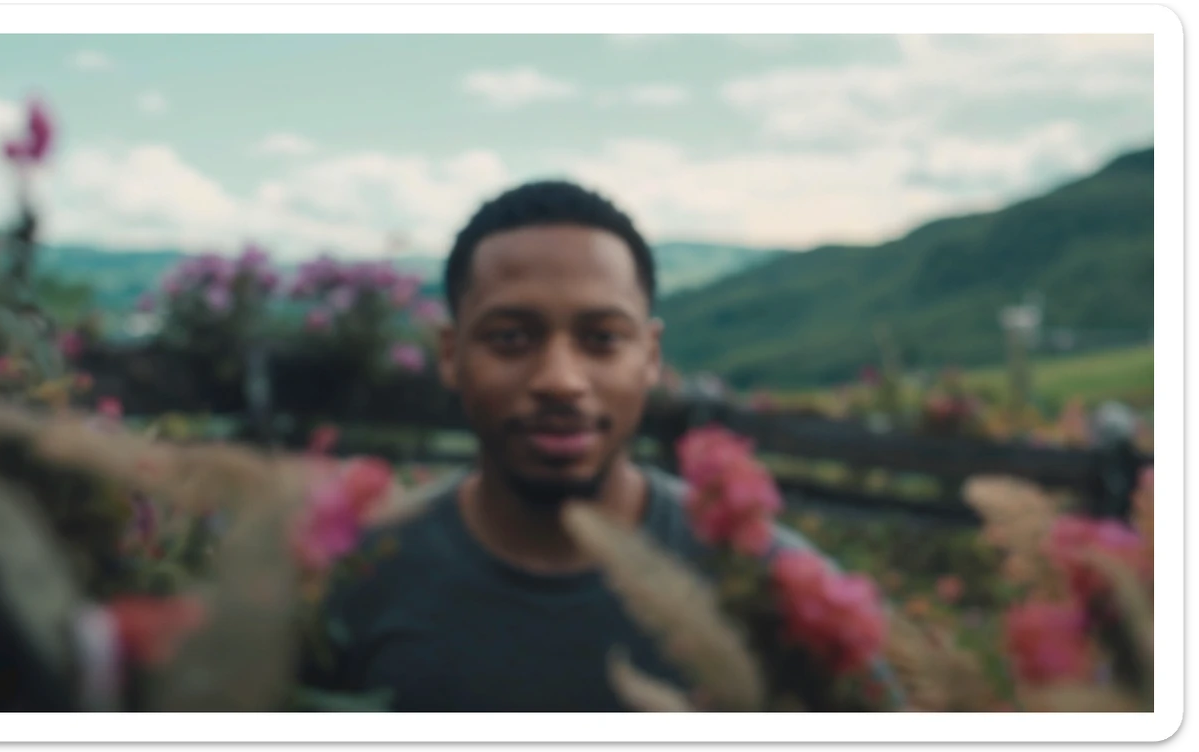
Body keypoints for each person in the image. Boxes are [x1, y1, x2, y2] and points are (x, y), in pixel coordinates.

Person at [297, 180, 903, 711]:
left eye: (602, 339)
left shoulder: (777, 594)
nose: (560, 379)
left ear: (651, 357)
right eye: (511, 337)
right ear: (451, 356)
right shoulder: (353, 580)